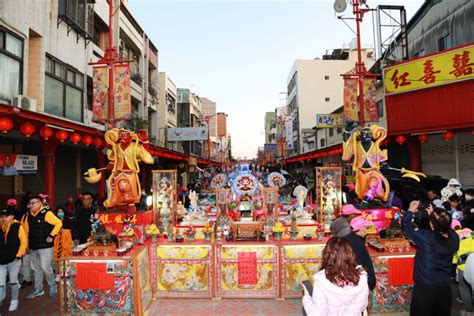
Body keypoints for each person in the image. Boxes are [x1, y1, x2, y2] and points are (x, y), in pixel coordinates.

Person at [402, 201, 460, 316]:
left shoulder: (427, 238)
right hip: (444, 286)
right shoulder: (454, 238)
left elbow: (406, 225)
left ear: (432, 224)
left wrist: (410, 210)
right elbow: (445, 226)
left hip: (425, 287)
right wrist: (435, 217)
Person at [302, 237, 369, 316]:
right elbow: (363, 306)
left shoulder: (321, 281)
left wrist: (306, 298)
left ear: (327, 255)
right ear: (350, 254)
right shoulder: (361, 278)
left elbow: (317, 314)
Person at [21, 196, 62, 299]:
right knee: (36, 269)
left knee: (45, 267)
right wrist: (26, 246)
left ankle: (53, 286)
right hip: (33, 246)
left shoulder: (47, 213)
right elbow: (25, 232)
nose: (31, 205)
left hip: (45, 247)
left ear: (40, 203)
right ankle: (39, 289)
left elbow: (58, 223)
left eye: (33, 203)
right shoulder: (28, 215)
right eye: (30, 203)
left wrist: (51, 235)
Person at [330, 217, 376, 291]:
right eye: (365, 227)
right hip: (358, 284)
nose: (367, 230)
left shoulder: (346, 242)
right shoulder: (354, 242)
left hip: (352, 284)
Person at [0, 208, 27, 312]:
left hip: (14, 261)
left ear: (12, 216)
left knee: (13, 282)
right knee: (0, 284)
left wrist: (19, 255)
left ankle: (14, 299)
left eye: (6, 216)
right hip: (1, 262)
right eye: (2, 216)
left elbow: (23, 242)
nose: (4, 218)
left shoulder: (17, 226)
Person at [453, 228, 474, 313]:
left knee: (464, 288)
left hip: (463, 265)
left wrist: (455, 263)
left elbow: (454, 254)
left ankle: (469, 309)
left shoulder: (455, 236)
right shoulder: (472, 233)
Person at [52, 206, 73, 282]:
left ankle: (66, 274)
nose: (60, 213)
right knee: (58, 260)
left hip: (66, 243)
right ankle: (58, 274)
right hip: (57, 244)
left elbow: (71, 232)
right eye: (58, 212)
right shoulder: (54, 221)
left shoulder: (68, 221)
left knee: (66, 259)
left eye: (62, 212)